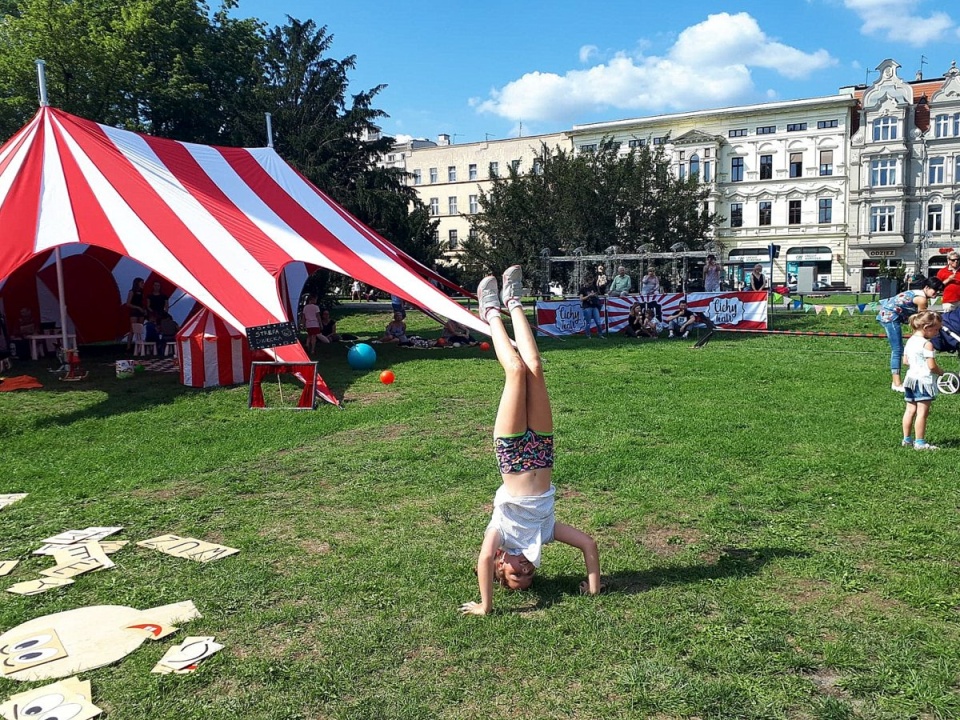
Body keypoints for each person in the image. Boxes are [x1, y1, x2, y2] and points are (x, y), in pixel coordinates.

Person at [461, 266, 602, 616]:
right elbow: (588, 544)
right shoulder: (547, 532)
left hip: (512, 455)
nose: (524, 572)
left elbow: (481, 558)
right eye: (528, 577)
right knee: (535, 366)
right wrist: (594, 587)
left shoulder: (501, 534)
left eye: (514, 576)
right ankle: (514, 301)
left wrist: (486, 604)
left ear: (500, 566)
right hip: (542, 452)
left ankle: (490, 312)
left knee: (516, 371)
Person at [876, 277, 943, 392]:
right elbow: (923, 321)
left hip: (896, 315)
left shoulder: (917, 293)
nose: (936, 294)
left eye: (939, 291)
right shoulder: (921, 300)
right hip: (889, 316)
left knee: (901, 348)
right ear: (926, 287)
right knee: (897, 349)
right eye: (935, 290)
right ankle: (896, 383)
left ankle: (907, 363)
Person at [900, 311, 945, 451]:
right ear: (926, 327)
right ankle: (920, 443)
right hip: (923, 382)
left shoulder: (910, 340)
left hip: (910, 380)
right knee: (922, 413)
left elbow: (905, 361)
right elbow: (931, 366)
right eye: (936, 329)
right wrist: (942, 373)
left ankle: (906, 439)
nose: (937, 333)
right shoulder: (927, 344)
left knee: (909, 410)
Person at [578, 272, 605, 338]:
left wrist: (595, 295)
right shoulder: (582, 289)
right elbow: (581, 299)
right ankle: (588, 335)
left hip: (595, 306)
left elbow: (597, 294)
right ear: (585, 281)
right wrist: (589, 295)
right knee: (588, 322)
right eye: (589, 282)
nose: (590, 283)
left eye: (591, 281)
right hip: (587, 306)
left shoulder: (593, 287)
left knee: (598, 322)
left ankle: (600, 334)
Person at [125, 278, 147, 350]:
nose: (143, 284)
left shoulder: (142, 292)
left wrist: (143, 309)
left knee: (139, 329)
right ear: (137, 283)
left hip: (141, 311)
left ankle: (139, 346)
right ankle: (128, 346)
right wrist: (137, 307)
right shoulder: (132, 292)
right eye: (141, 283)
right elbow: (128, 303)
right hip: (134, 311)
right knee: (132, 329)